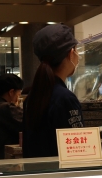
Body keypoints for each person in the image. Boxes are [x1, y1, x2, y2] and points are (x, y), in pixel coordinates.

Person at [23, 25, 84, 158]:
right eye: (77, 50)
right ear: (71, 53)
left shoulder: (32, 97)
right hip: (60, 171)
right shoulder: (65, 99)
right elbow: (76, 153)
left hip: (38, 171)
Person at [0, 74, 24, 160]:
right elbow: (29, 125)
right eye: (19, 94)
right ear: (11, 92)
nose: (18, 98)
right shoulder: (7, 108)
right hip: (7, 160)